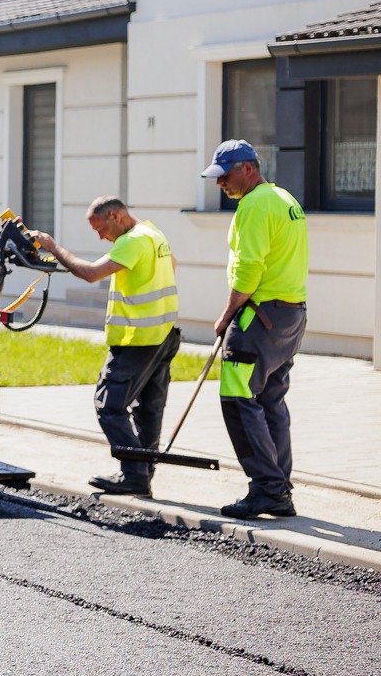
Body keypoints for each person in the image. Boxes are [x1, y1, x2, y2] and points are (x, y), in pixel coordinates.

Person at [33, 198, 180, 497]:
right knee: (149, 410)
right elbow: (172, 265)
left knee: (109, 405)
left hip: (137, 339)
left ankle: (134, 474)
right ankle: (142, 475)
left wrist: (53, 247)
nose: (101, 237)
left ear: (115, 215)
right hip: (164, 335)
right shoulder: (154, 234)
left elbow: (90, 273)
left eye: (101, 229)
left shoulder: (132, 241)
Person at [204, 139, 309, 520]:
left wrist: (226, 314)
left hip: (257, 319)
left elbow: (249, 269)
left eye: (225, 175)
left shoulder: (254, 204)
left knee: (238, 399)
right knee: (270, 402)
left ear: (248, 168)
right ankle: (279, 488)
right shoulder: (285, 199)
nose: (220, 184)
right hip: (290, 316)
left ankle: (266, 489)